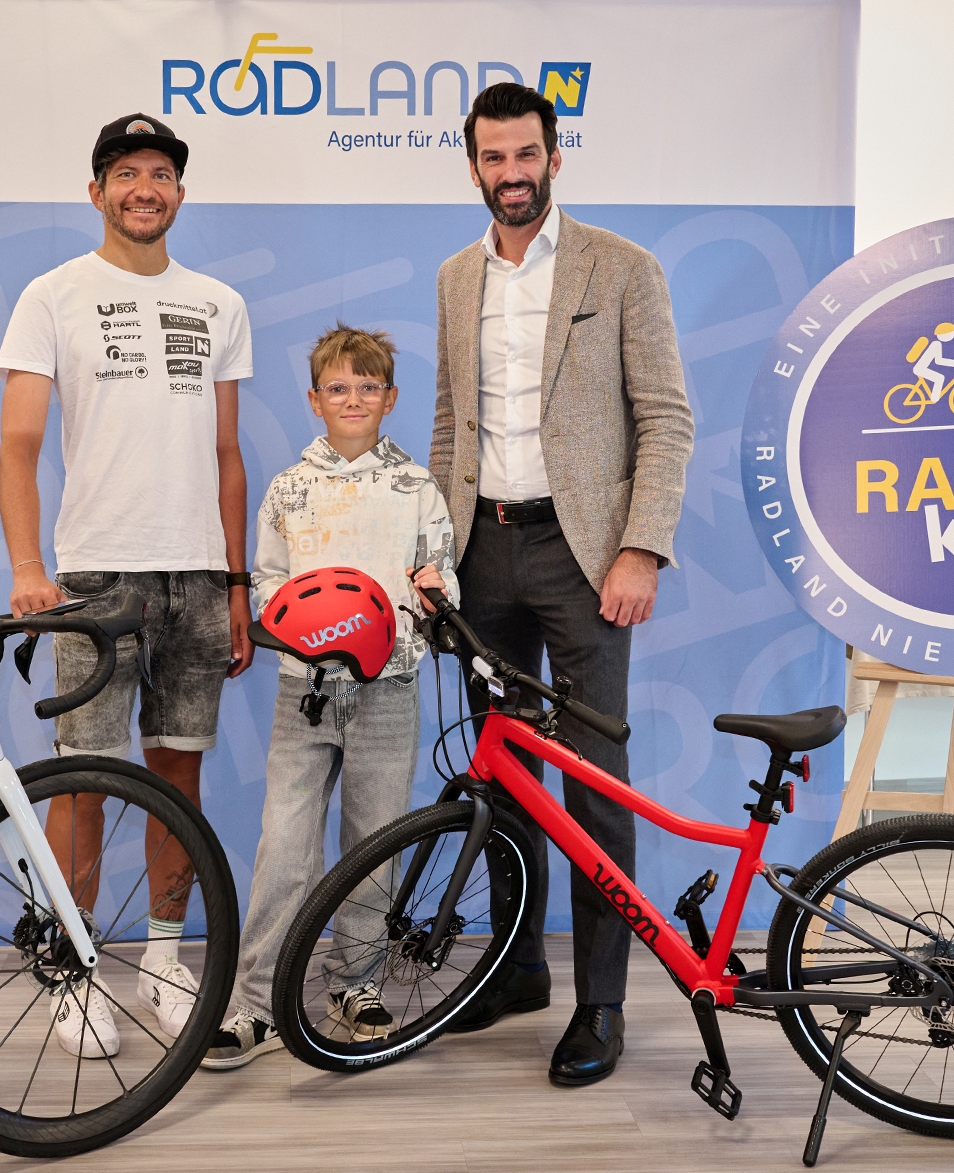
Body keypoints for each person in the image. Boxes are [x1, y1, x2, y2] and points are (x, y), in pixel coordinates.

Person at [429, 83, 694, 1086]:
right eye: (494, 157)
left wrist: (642, 549)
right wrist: (435, 547)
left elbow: (665, 419)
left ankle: (601, 1001)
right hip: (480, 554)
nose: (512, 173)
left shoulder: (620, 266)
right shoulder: (456, 276)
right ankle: (515, 969)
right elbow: (450, 422)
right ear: (473, 167)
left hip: (585, 558)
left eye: (526, 154)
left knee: (593, 783)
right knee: (504, 772)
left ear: (554, 156)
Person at [0, 114, 255, 1058]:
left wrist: (236, 584)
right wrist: (30, 568)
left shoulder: (219, 302)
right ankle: (72, 964)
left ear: (180, 192)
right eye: (126, 173)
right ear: (97, 190)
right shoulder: (52, 294)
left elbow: (226, 454)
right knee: (84, 782)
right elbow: (18, 445)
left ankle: (163, 959)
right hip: (97, 575)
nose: (145, 188)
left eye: (160, 173)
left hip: (197, 574)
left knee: (177, 775)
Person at [202, 325, 458, 1069]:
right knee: (284, 847)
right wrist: (299, 622)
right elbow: (268, 581)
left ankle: (355, 986)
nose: (353, 399)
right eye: (338, 388)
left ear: (391, 398)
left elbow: (440, 573)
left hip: (389, 689)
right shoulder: (289, 488)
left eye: (368, 387)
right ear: (314, 400)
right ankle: (256, 1003)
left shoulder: (417, 487)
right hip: (304, 693)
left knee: (374, 843)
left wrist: (433, 592)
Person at [913, 322, 954, 401]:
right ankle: (934, 398)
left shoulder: (936, 343)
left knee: (939, 378)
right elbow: (938, 361)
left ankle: (934, 397)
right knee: (940, 378)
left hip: (921, 368)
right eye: (950, 333)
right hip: (920, 369)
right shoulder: (936, 344)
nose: (952, 335)